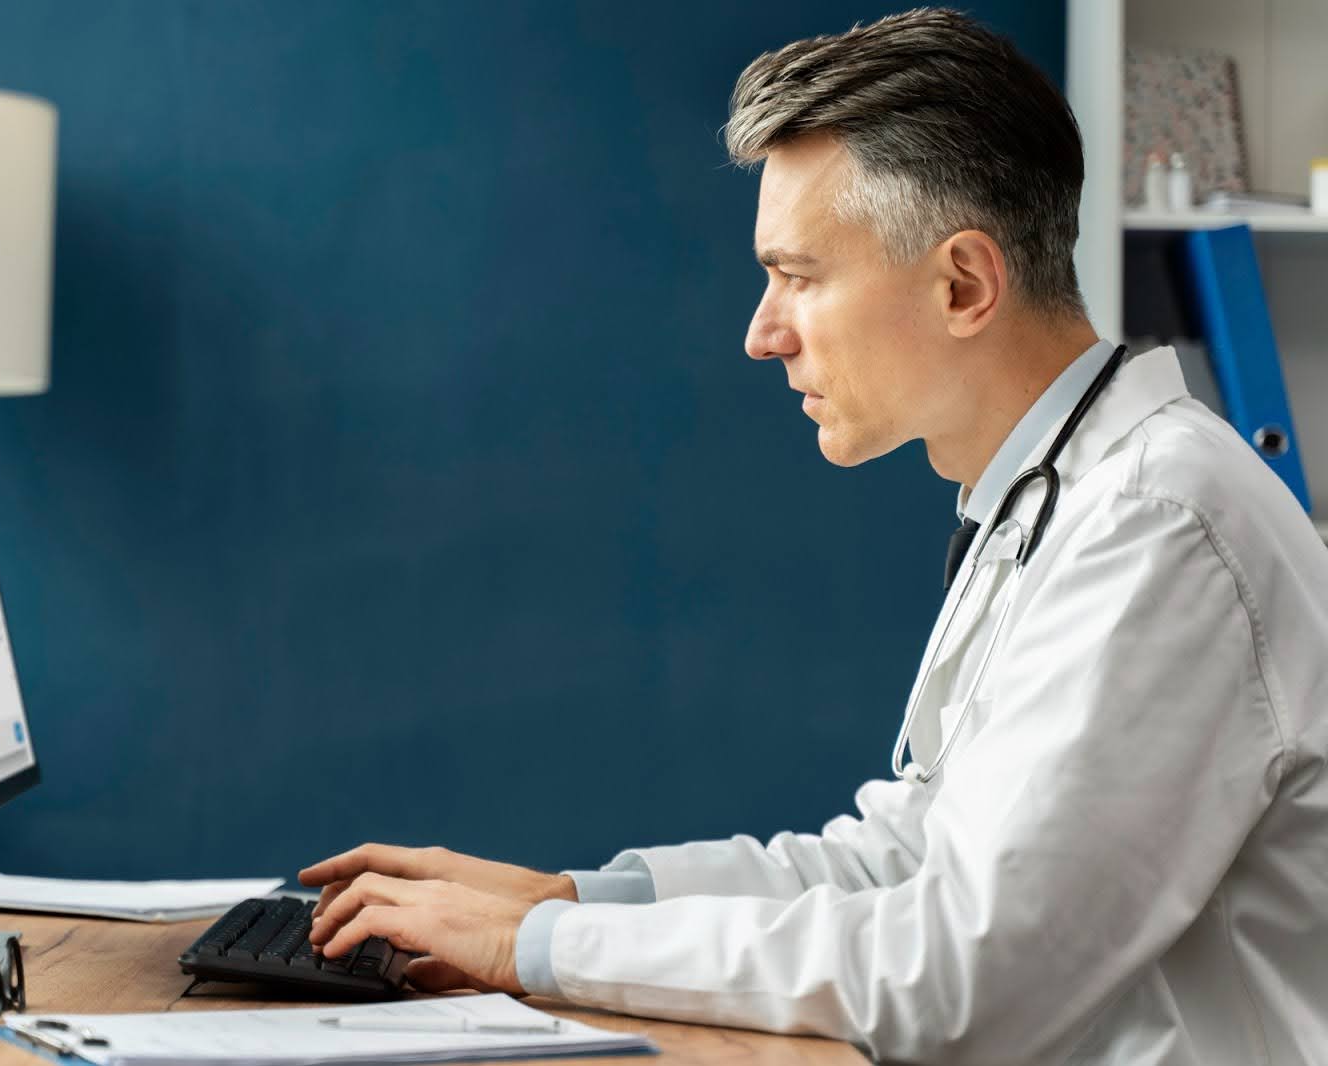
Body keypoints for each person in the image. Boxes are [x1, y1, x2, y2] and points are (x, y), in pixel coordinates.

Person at [300, 8, 1328, 1063]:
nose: (762, 330)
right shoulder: (1056, 495)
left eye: (797, 273)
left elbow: (956, 971)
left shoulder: (1160, 522)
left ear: (962, 283)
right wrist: (570, 898)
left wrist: (534, 944)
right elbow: (903, 857)